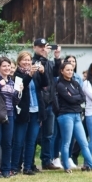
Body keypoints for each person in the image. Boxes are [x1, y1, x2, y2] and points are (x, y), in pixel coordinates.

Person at [55, 62, 92, 173]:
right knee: (67, 142)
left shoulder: (75, 83)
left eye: (71, 70)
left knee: (83, 142)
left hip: (77, 115)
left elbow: (83, 97)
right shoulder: (60, 85)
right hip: (66, 115)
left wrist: (74, 97)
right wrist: (75, 98)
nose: (70, 72)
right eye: (67, 70)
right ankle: (66, 166)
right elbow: (69, 99)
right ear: (62, 71)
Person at [12, 52, 47, 175]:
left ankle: (28, 167)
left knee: (31, 141)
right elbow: (20, 88)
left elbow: (45, 84)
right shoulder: (16, 74)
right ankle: (15, 167)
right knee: (19, 141)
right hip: (23, 111)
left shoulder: (36, 73)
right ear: (19, 61)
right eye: (24, 60)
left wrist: (43, 73)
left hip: (36, 110)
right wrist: (30, 74)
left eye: (29, 60)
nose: (27, 62)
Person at [31, 38, 62, 170]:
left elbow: (56, 73)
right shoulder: (32, 62)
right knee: (33, 135)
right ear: (34, 48)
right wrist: (44, 58)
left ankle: (46, 161)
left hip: (50, 101)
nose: (43, 48)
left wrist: (56, 58)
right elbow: (38, 78)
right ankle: (29, 163)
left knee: (49, 134)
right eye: (40, 46)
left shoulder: (48, 62)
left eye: (44, 46)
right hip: (38, 103)